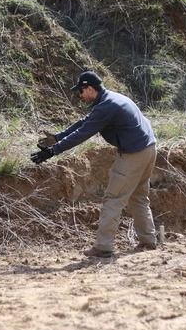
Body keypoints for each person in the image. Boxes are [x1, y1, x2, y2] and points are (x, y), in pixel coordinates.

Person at [31, 71, 159, 258]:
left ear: (89, 88)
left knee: (113, 199)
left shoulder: (107, 106)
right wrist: (57, 138)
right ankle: (148, 241)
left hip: (134, 154)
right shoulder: (111, 99)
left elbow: (83, 134)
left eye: (80, 92)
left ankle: (103, 247)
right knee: (139, 197)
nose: (80, 96)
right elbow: (85, 123)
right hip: (149, 149)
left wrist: (53, 151)